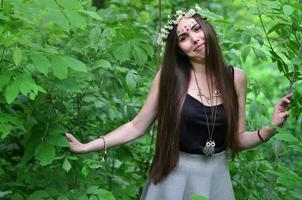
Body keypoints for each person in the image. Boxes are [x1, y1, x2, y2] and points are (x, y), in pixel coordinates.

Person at [65, 7, 292, 200]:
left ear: (207, 28)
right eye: (183, 38)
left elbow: (238, 140)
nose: (194, 39)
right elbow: (136, 126)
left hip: (216, 178)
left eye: (196, 28)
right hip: (174, 178)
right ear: (178, 49)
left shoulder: (236, 78)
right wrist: (88, 146)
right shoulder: (169, 78)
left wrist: (271, 128)